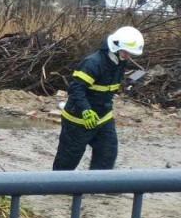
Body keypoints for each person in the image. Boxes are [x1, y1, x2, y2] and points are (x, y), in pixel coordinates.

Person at [52, 26, 143, 171]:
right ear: (116, 47)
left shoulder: (120, 62)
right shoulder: (93, 63)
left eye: (131, 53)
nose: (129, 56)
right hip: (78, 120)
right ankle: (57, 190)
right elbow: (76, 89)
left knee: (107, 153)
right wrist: (85, 110)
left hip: (103, 117)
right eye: (127, 52)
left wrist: (136, 79)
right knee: (68, 159)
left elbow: (111, 86)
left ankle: (97, 189)